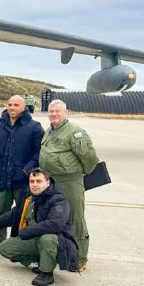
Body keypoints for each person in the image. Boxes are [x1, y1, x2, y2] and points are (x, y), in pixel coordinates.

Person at [0, 168, 79, 286]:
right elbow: (12, 216)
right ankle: (42, 260)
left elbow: (54, 225)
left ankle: (46, 273)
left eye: (39, 181)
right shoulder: (29, 199)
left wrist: (26, 232)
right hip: (36, 238)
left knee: (47, 238)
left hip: (59, 242)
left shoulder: (58, 200)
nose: (35, 184)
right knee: (5, 247)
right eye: (32, 181)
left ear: (48, 183)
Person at [39, 99, 99, 272]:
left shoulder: (75, 132)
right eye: (51, 111)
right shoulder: (50, 131)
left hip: (69, 181)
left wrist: (77, 175)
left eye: (58, 111)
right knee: (54, 217)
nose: (54, 114)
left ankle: (79, 258)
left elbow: (90, 159)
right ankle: (59, 255)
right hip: (52, 181)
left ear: (65, 113)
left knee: (75, 217)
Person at [0, 95, 44, 252]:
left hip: (22, 180)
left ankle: (20, 244)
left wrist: (27, 169)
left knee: (23, 212)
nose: (12, 108)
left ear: (24, 107)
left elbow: (39, 151)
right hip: (1, 178)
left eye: (16, 105)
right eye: (10, 104)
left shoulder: (34, 127)